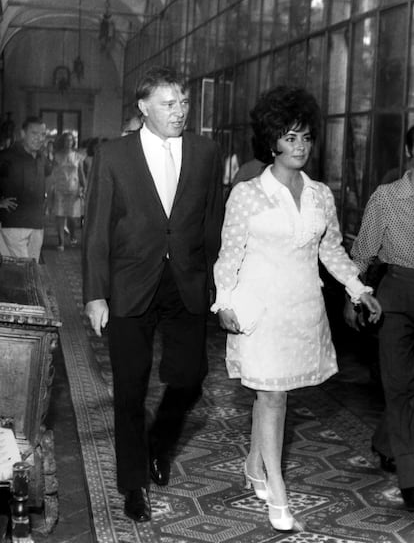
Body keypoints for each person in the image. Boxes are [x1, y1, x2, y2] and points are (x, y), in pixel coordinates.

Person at [211, 86, 381, 532]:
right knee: (271, 396)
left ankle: (253, 463)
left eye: (305, 137)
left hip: (303, 309)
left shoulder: (322, 195)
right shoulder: (247, 193)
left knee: (276, 393)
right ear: (272, 142)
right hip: (260, 310)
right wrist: (223, 301)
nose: (300, 146)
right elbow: (229, 254)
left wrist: (357, 288)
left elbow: (332, 251)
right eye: (290, 138)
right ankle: (278, 491)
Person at [82, 66, 223, 523]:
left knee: (190, 377)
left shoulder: (205, 152)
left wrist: (215, 283)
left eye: (184, 102)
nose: (180, 111)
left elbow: (210, 224)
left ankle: (160, 440)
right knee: (129, 388)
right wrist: (95, 294)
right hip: (129, 283)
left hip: (185, 280)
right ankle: (133, 485)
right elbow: (97, 228)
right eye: (169, 103)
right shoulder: (114, 155)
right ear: (143, 107)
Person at [345, 131, 414, 511]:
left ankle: (388, 441)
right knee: (399, 385)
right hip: (397, 297)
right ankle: (410, 475)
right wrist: (350, 296)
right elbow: (362, 254)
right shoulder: (386, 198)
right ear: (408, 150)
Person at [0, 116, 50, 262]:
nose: (39, 138)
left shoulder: (42, 157)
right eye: (34, 133)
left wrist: (46, 198)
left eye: (42, 134)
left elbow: (48, 178)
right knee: (24, 269)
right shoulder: (6, 157)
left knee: (30, 268)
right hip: (13, 223)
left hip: (37, 224)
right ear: (22, 134)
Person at [49, 131, 86, 250]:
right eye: (66, 140)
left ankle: (72, 235)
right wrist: (51, 187)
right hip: (60, 188)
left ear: (73, 142)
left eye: (70, 140)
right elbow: (53, 173)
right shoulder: (57, 156)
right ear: (63, 142)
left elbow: (81, 173)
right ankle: (61, 242)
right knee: (60, 215)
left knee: (71, 217)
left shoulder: (77, 156)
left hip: (73, 189)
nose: (68, 142)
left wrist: (84, 187)